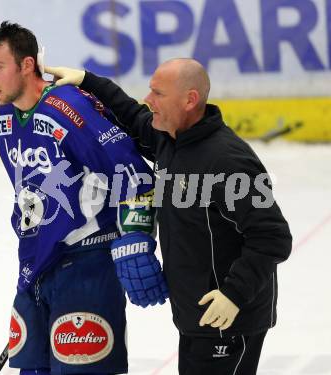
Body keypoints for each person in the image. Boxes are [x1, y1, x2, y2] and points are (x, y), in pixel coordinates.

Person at [45, 60, 292, 375]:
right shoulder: (170, 139)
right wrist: (88, 81)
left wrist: (234, 295)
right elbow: (133, 116)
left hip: (230, 319)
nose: (149, 99)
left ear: (189, 100)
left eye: (158, 93)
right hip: (196, 315)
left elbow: (272, 237)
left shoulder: (227, 161)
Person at [0, 21, 168, 375]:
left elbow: (133, 173)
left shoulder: (69, 108)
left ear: (27, 65)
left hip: (88, 264)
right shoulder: (2, 119)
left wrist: (136, 240)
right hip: (37, 266)